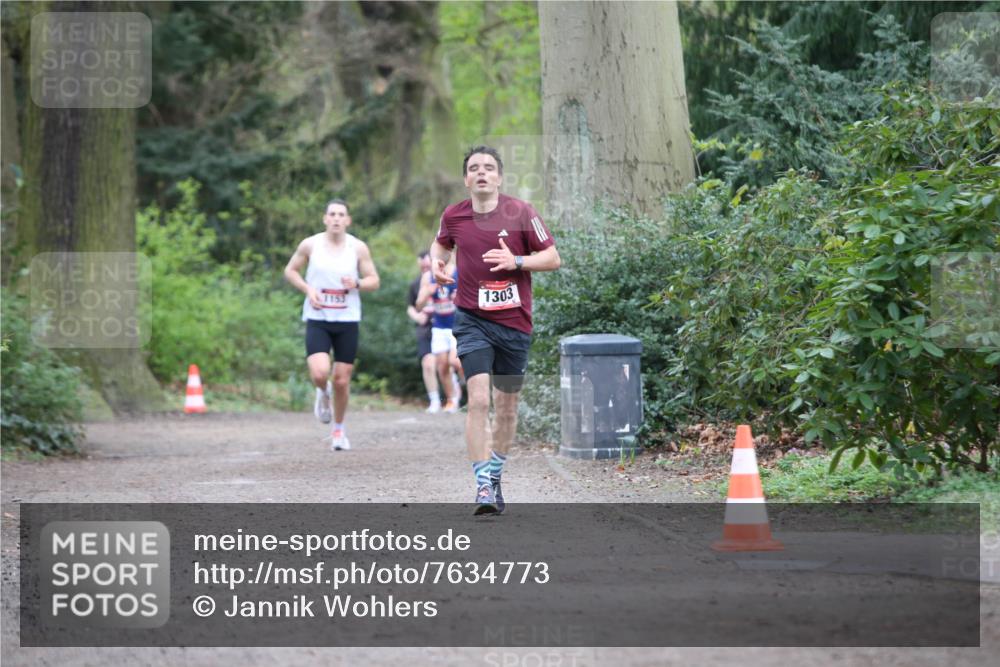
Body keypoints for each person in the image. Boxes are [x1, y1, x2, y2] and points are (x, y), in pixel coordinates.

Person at [430, 146, 560, 514]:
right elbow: (440, 245)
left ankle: (496, 472)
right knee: (480, 401)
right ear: (467, 179)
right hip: (471, 319)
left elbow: (552, 257)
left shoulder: (521, 213)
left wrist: (516, 260)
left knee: (505, 409)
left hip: (514, 323)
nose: (482, 173)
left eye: (489, 167)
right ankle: (482, 485)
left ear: (500, 177)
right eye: (474, 168)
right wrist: (437, 266)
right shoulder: (453, 215)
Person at [284, 199, 380, 451]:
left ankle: (338, 430)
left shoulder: (357, 247)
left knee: (341, 379)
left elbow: (374, 280)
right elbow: (290, 271)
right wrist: (308, 289)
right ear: (325, 218)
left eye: (341, 215)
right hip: (318, 317)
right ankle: (322, 392)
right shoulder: (310, 244)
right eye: (332, 214)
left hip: (347, 319)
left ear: (348, 220)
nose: (336, 218)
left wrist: (357, 283)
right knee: (319, 372)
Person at [416, 262, 463, 413]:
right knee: (442, 367)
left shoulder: (459, 270)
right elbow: (418, 305)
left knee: (454, 361)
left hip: (457, 326)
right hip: (439, 327)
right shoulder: (428, 276)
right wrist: (427, 292)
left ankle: (470, 384)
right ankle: (452, 400)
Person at [406, 252, 439, 411]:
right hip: (425, 328)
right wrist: (417, 317)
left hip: (444, 325)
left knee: (448, 363)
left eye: (428, 264)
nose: (426, 268)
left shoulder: (444, 277)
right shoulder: (415, 284)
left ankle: (454, 392)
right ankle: (434, 400)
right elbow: (411, 307)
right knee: (427, 363)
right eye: (423, 266)